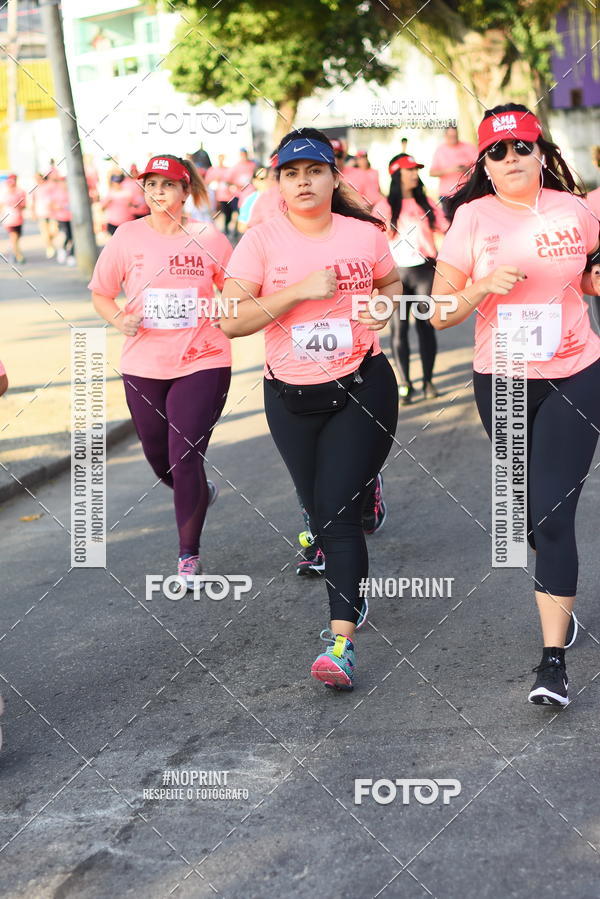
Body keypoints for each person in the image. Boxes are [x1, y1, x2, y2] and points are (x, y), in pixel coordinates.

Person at [431, 103, 600, 707]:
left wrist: (593, 278)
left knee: (553, 516)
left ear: (540, 152)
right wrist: (480, 286)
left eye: (521, 147)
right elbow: (440, 312)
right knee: (527, 511)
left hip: (577, 372)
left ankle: (552, 663)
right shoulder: (472, 218)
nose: (511, 159)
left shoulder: (574, 209)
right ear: (484, 164)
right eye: (497, 152)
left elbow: (589, 271)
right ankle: (555, 584)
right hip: (502, 379)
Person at [220, 128, 401, 691]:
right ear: (277, 182)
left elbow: (392, 285)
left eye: (315, 171)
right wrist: (298, 290)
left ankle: (340, 644)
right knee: (319, 512)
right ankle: (361, 509)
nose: (303, 181)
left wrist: (384, 308)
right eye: (291, 173)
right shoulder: (259, 241)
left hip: (361, 385)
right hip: (290, 395)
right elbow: (231, 321)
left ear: (333, 177)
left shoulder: (364, 234)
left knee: (336, 514)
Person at [89, 154, 233, 587]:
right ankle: (200, 492)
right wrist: (119, 320)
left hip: (203, 359)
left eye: (167, 185)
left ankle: (188, 554)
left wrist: (227, 309)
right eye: (150, 185)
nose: (157, 192)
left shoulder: (208, 237)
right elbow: (101, 293)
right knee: (159, 458)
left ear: (185, 191)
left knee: (184, 456)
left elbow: (238, 289)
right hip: (143, 363)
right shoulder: (127, 235)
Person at [387, 154, 448, 404]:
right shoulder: (384, 206)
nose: (414, 174)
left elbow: (445, 229)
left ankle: (428, 382)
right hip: (397, 277)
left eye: (416, 170)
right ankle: (405, 384)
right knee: (399, 330)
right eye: (409, 170)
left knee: (426, 327)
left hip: (424, 272)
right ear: (396, 174)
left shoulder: (427, 202)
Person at [430, 125, 478, 218]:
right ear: (445, 136)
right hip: (446, 195)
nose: (453, 139)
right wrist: (451, 170)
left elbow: (479, 165)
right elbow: (432, 172)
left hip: (466, 191)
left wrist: (467, 169)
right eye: (450, 136)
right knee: (450, 221)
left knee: (468, 219)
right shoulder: (440, 150)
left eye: (455, 136)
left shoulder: (468, 147)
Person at [49, 174, 76, 265]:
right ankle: (62, 250)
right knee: (66, 235)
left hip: (72, 217)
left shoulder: (72, 192)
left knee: (73, 236)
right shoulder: (56, 193)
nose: (64, 184)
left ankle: (71, 255)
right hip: (61, 217)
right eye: (63, 182)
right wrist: (58, 207)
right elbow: (51, 205)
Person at [206, 154, 236, 234]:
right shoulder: (212, 170)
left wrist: (228, 183)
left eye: (223, 159)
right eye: (220, 159)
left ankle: (226, 228)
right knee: (217, 213)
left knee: (228, 213)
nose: (221, 160)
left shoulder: (228, 170)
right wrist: (215, 179)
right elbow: (207, 181)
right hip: (216, 196)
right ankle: (217, 229)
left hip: (227, 196)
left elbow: (233, 182)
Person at [1, 173, 26, 264]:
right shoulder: (4, 192)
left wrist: (18, 205)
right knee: (14, 237)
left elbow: (24, 205)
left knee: (17, 238)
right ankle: (19, 256)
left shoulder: (20, 192)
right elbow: (1, 205)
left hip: (18, 218)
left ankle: (13, 253)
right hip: (8, 220)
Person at [101, 170, 136, 235]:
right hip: (114, 224)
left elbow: (134, 206)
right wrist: (108, 202)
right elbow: (102, 208)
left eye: (119, 181)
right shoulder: (109, 193)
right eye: (116, 181)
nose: (117, 184)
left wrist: (130, 204)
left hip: (127, 222)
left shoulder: (128, 192)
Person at [32, 173, 58, 258]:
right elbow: (33, 201)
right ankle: (49, 247)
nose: (37, 180)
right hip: (41, 213)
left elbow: (55, 197)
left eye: (38, 178)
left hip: (52, 213)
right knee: (45, 232)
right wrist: (33, 213)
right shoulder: (35, 189)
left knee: (54, 231)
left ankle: (50, 243)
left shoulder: (49, 186)